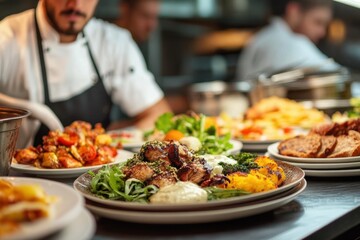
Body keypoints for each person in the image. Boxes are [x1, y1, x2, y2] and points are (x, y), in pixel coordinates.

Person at [0, 0, 171, 147]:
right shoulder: (7, 38)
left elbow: (158, 114)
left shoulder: (114, 42)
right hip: (24, 180)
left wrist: (111, 139)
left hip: (96, 177)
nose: (75, 4)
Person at [237, 0, 341, 82]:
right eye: (317, 22)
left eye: (325, 25)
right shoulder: (285, 42)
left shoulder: (265, 35)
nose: (322, 32)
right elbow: (338, 76)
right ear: (293, 11)